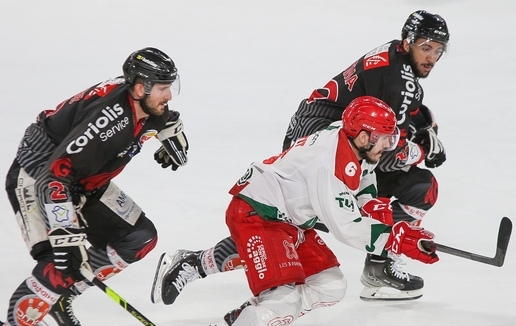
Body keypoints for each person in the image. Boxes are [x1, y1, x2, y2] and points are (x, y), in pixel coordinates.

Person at [151, 9, 449, 306]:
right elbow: (388, 149)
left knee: (292, 223)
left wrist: (422, 128)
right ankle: (196, 263)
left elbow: (398, 118)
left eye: (438, 50)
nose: (432, 57)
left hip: (324, 132)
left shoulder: (395, 60)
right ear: (408, 42)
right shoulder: (398, 80)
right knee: (288, 222)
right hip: (325, 146)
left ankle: (195, 263)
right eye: (426, 47)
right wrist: (421, 150)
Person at [186, 96, 440, 325]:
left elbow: (363, 174)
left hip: (290, 220)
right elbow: (346, 227)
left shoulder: (350, 137)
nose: (389, 145)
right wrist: (396, 240)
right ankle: (261, 315)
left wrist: (369, 203)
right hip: (259, 215)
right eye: (385, 138)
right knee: (282, 303)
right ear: (364, 136)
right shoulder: (327, 165)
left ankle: (248, 317)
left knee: (330, 286)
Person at [1, 47, 189, 326]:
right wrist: (66, 232)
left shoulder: (140, 104)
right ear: (140, 88)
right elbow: (53, 176)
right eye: (163, 88)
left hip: (80, 181)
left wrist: (168, 130)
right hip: (39, 177)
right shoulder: (108, 123)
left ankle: (61, 299)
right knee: (61, 261)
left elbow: (161, 119)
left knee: (139, 238)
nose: (169, 95)